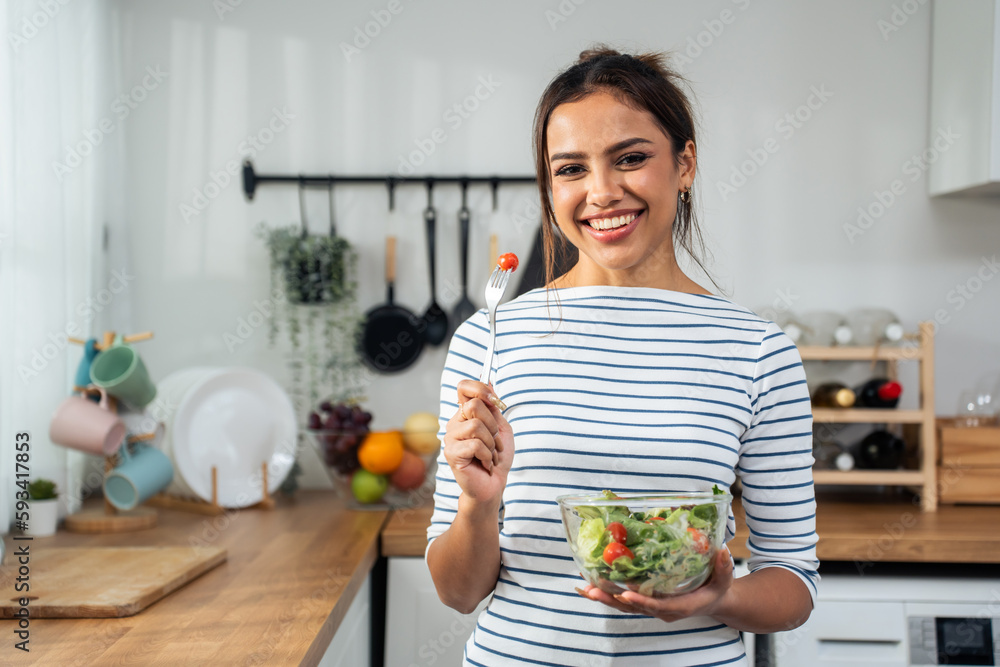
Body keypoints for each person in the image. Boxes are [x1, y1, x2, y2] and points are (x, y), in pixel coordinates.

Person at [426, 47, 818, 667]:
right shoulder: (491, 337)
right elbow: (457, 590)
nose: (602, 193)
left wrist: (715, 598)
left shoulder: (757, 351)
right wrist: (479, 503)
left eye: (631, 159)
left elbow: (794, 584)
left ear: (685, 164)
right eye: (571, 169)